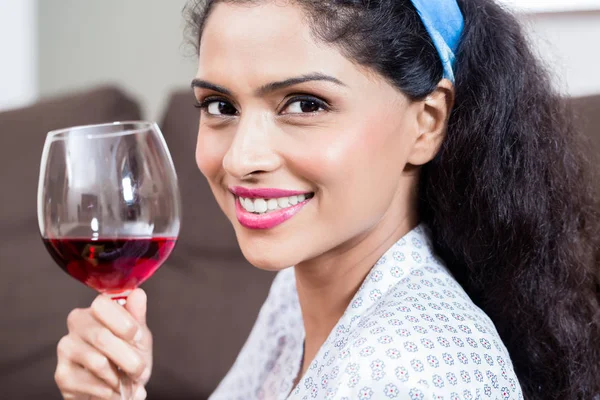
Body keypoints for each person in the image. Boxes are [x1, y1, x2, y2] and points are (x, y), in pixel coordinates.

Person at [54, 0, 600, 399]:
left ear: (426, 124)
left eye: (306, 104)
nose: (241, 158)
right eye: (220, 106)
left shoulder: (409, 373)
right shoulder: (295, 299)